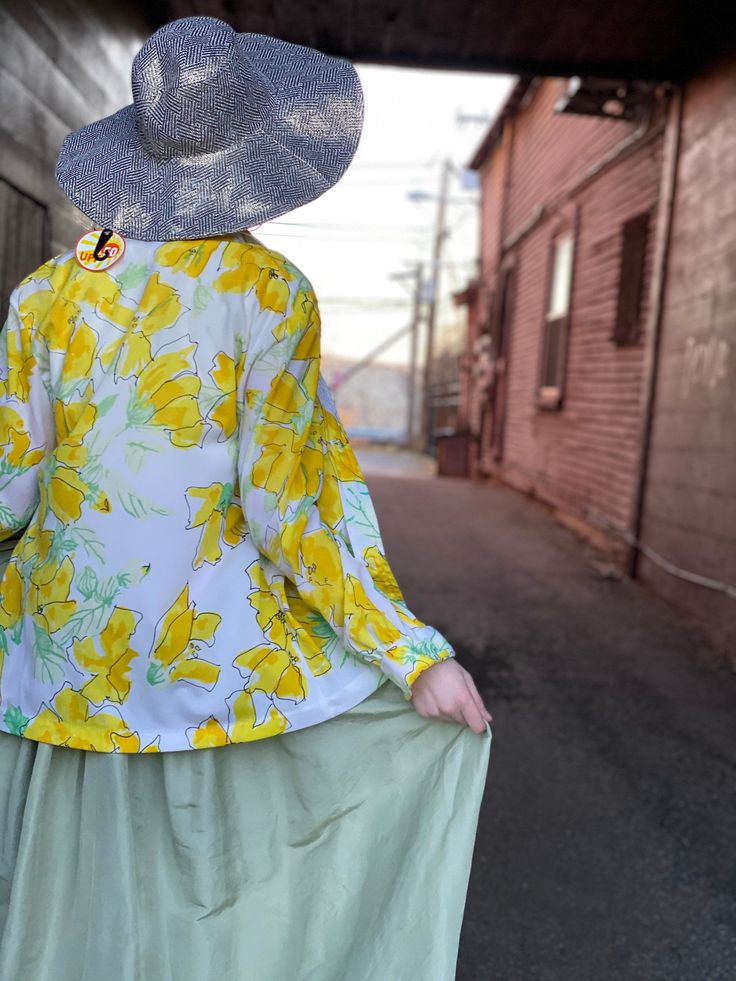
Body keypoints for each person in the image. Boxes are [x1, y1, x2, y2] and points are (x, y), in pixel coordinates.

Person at [0, 15, 492, 980]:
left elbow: (12, 485)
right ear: (254, 158)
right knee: (205, 919)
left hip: (65, 673)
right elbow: (288, 508)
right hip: (203, 668)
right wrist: (410, 651)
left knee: (72, 924)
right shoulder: (271, 293)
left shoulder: (47, 292)